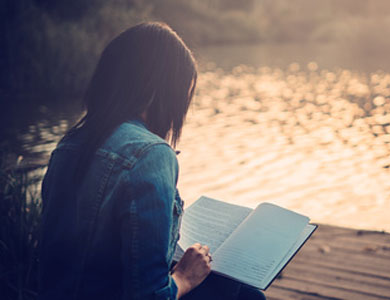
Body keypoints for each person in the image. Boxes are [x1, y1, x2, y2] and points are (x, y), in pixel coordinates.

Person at [38, 22, 265, 300]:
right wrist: (183, 276)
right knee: (248, 297)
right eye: (184, 94)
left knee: (234, 288)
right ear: (160, 91)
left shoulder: (68, 144)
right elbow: (148, 295)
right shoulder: (150, 153)